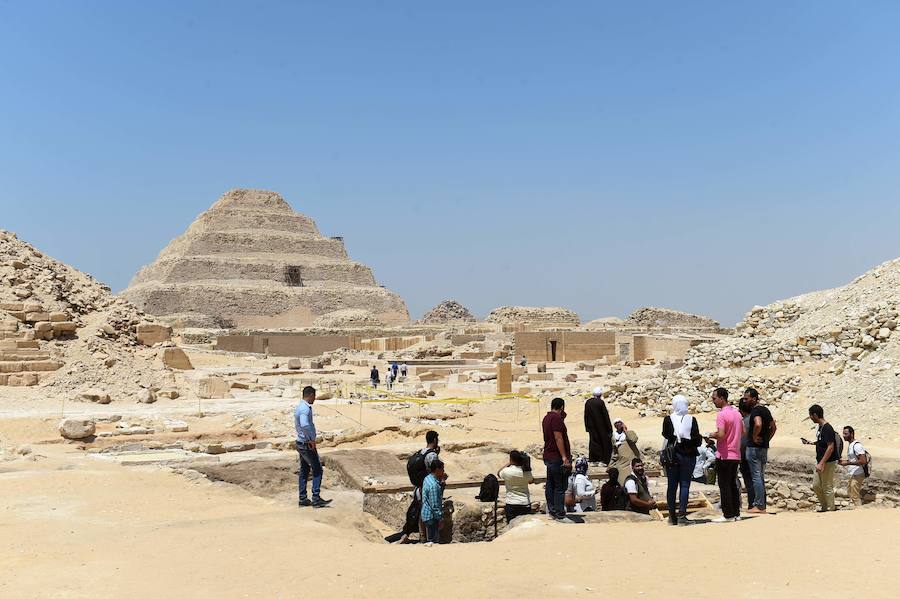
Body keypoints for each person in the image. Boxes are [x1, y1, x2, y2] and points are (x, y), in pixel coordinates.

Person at [661, 395, 701, 525]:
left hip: (673, 456)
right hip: (688, 456)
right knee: (685, 485)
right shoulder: (691, 419)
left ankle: (672, 517)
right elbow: (696, 438)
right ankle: (682, 515)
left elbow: (666, 434)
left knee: (672, 486)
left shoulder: (668, 419)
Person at [396, 431, 441, 544]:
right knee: (426, 512)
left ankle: (419, 537)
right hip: (426, 488)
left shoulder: (421, 452)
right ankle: (426, 538)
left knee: (421, 512)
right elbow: (435, 471)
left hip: (418, 488)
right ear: (435, 440)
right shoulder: (432, 455)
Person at [707, 387, 743, 522]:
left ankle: (728, 515)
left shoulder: (721, 415)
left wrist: (711, 435)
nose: (713, 401)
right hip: (736, 454)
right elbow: (743, 431)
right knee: (733, 484)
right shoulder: (737, 413)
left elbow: (721, 435)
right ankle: (736, 513)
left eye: (714, 398)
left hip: (724, 454)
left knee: (724, 485)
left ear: (722, 398)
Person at [294, 386, 332, 508]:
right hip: (306, 444)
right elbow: (305, 425)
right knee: (317, 470)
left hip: (300, 442)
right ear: (310, 395)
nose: (315, 399)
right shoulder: (305, 409)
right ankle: (316, 498)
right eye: (314, 396)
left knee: (304, 470)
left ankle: (303, 498)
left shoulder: (300, 406)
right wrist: (311, 439)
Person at [744, 387, 777, 514]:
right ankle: (761, 504)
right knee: (761, 476)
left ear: (754, 398)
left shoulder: (756, 411)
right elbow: (774, 427)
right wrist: (767, 439)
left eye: (747, 398)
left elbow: (758, 424)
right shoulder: (765, 410)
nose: (745, 401)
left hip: (754, 448)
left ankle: (759, 505)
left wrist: (753, 436)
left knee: (756, 476)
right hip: (763, 447)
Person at [804, 404, 838, 512]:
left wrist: (822, 462)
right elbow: (822, 443)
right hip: (821, 461)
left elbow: (831, 447)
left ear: (815, 414)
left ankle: (830, 508)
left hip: (827, 462)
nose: (810, 418)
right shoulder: (820, 427)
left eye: (811, 415)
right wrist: (811, 443)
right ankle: (825, 506)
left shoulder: (827, 428)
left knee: (827, 486)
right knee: (816, 486)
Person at [542, 397, 572, 520]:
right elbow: (558, 437)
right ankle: (560, 512)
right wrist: (564, 457)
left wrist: (562, 418)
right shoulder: (556, 419)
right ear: (562, 407)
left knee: (550, 484)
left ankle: (552, 509)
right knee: (560, 485)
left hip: (548, 455)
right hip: (556, 456)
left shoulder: (547, 417)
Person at [498, 450, 534, 523]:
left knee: (511, 528)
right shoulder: (526, 473)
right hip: (524, 503)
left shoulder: (506, 471)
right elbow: (531, 481)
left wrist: (509, 463)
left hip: (511, 504)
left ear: (511, 459)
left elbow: (499, 473)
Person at [839, 426, 868, 506]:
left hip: (858, 474)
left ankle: (859, 511)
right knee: (851, 493)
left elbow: (863, 461)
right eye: (843, 434)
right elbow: (854, 459)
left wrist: (847, 463)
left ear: (851, 434)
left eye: (846, 434)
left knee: (854, 495)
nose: (844, 435)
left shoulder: (857, 446)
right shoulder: (851, 445)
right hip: (853, 473)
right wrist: (845, 461)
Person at [584, 386, 614, 465]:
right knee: (604, 442)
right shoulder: (600, 402)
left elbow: (586, 415)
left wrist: (587, 426)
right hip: (601, 426)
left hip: (592, 427)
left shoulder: (588, 402)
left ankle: (593, 459)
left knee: (593, 442)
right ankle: (604, 460)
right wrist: (609, 429)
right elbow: (605, 416)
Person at [421, 459, 446, 546]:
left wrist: (442, 483)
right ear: (437, 470)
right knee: (433, 543)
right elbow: (434, 505)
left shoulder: (427, 478)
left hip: (426, 515)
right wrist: (440, 519)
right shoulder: (434, 486)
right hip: (432, 517)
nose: (444, 471)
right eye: (442, 469)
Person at [738, 399, 756, 510]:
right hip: (756, 451)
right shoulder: (754, 419)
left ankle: (751, 504)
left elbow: (742, 441)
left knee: (749, 481)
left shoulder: (744, 422)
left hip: (745, 454)